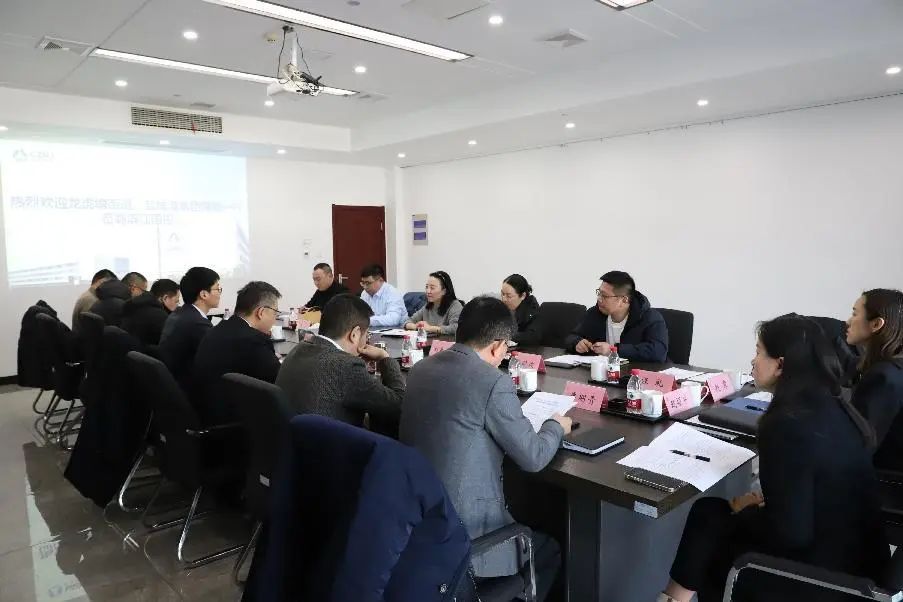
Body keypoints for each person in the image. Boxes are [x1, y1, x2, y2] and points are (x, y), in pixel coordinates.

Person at [659, 315, 888, 602]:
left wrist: (748, 510)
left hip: (827, 579)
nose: (753, 361)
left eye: (758, 351)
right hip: (863, 562)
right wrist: (769, 505)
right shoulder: (837, 406)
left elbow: (791, 535)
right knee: (711, 515)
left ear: (780, 365)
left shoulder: (786, 424)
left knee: (711, 523)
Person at [400, 296, 571, 601]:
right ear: (496, 346)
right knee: (550, 550)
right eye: (507, 348)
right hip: (466, 539)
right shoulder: (493, 382)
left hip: (418, 527)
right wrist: (555, 426)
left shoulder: (421, 368)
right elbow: (534, 456)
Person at [277, 294, 404, 435]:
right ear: (354, 334)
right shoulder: (347, 366)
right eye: (366, 335)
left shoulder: (299, 349)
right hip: (330, 446)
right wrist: (385, 358)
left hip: (289, 440)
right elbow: (399, 406)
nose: (366, 340)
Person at [193, 281, 282, 424]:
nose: (274, 319)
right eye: (275, 313)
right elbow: (280, 380)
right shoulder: (253, 340)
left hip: (205, 410)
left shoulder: (220, 328)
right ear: (260, 312)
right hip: (236, 422)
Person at [847, 288, 903, 471]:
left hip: (884, 480)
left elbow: (859, 445)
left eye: (854, 314)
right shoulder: (894, 368)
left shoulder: (883, 376)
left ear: (876, 324)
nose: (848, 322)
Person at [565, 270, 668, 362]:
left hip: (635, 374)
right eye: (599, 293)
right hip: (601, 373)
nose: (599, 299)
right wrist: (577, 343)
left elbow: (658, 352)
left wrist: (613, 350)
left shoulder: (651, 318)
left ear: (624, 300)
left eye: (605, 296)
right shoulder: (594, 313)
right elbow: (571, 337)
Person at [159, 267, 221, 392]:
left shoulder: (179, 313)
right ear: (204, 294)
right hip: (189, 390)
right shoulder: (197, 323)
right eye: (217, 289)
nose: (220, 293)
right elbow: (218, 358)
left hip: (172, 385)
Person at [121, 278, 180, 346]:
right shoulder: (160, 317)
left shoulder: (133, 305)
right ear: (165, 298)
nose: (177, 305)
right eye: (176, 301)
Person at [404, 271, 463, 335]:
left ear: (444, 291)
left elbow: (456, 328)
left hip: (446, 341)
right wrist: (416, 326)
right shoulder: (428, 306)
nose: (428, 291)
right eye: (427, 287)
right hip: (429, 341)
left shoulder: (455, 305)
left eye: (432, 288)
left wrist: (430, 328)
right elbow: (407, 321)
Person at [359, 263, 407, 328]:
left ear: (380, 280)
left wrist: (367, 320)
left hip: (397, 330)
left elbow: (393, 319)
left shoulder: (392, 293)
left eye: (368, 283)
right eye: (363, 283)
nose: (365, 287)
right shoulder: (364, 293)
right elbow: (361, 314)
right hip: (373, 329)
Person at [501, 273, 541, 346]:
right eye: (503, 294)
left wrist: (505, 334)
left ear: (523, 295)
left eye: (509, 296)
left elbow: (531, 337)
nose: (504, 299)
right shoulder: (506, 307)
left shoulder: (532, 312)